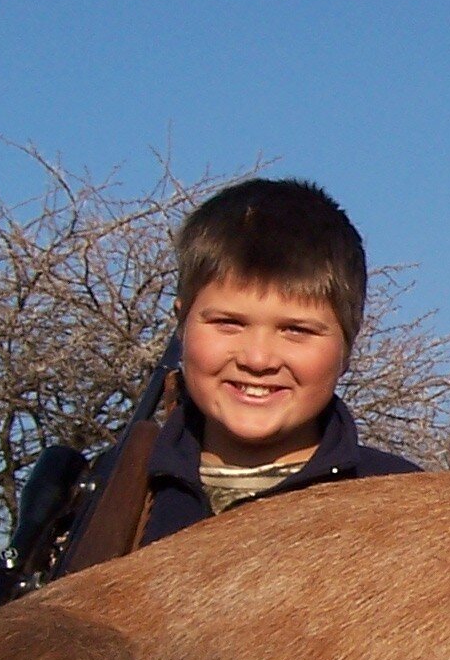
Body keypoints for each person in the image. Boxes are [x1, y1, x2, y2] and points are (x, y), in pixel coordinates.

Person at [134, 177, 419, 544]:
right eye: (228, 323)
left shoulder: (404, 505)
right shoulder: (105, 495)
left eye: (296, 330)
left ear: (347, 346)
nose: (257, 359)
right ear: (181, 325)